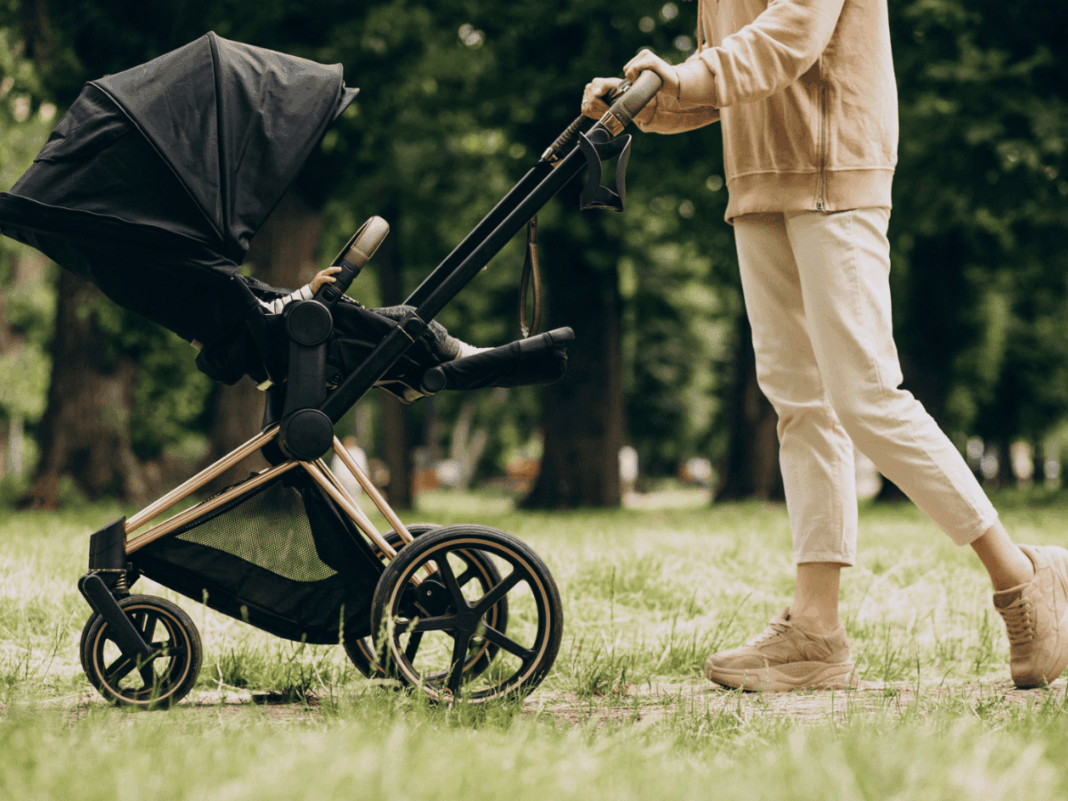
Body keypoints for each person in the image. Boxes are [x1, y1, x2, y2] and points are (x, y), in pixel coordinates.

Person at [582, 0, 1068, 692]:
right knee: (801, 404)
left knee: (867, 394)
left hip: (835, 166)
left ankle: (1021, 577)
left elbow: (793, 37)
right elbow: (728, 73)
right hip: (757, 184)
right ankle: (815, 632)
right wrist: (646, 102)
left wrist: (683, 78)